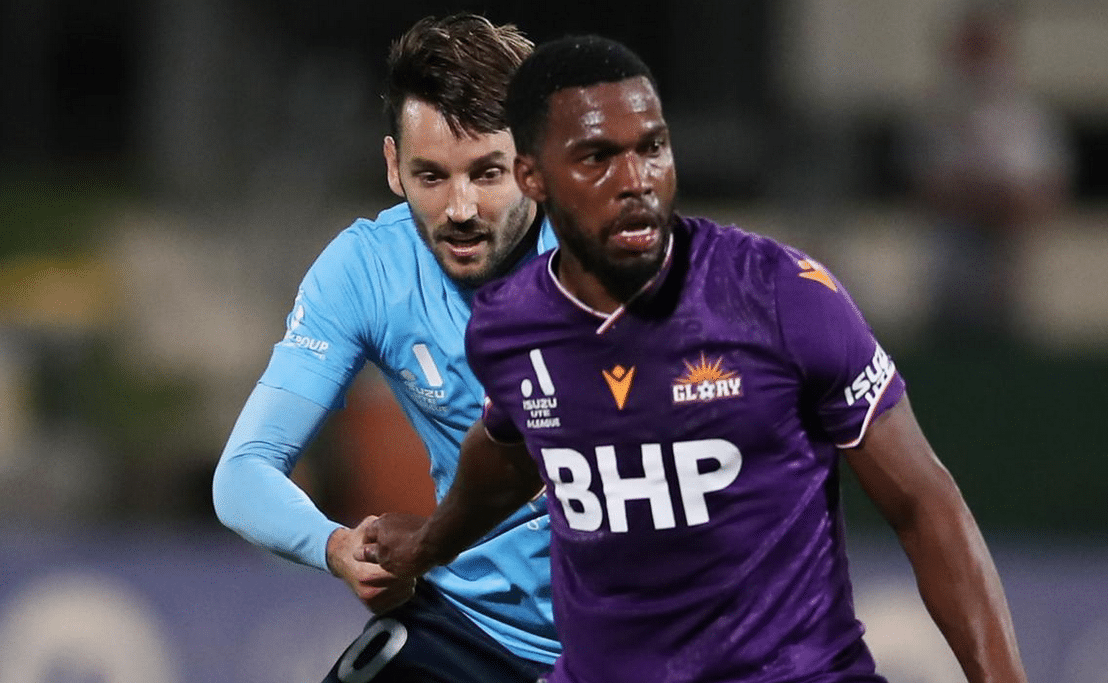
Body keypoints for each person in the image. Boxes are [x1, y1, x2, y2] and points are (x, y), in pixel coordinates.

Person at [361, 35, 1030, 683]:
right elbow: (506, 454)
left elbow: (924, 504)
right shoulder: (508, 324)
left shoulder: (779, 294)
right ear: (531, 176)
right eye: (597, 157)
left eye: (651, 147)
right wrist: (429, 543)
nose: (635, 180)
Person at [212, 14, 560, 683]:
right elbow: (244, 470)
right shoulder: (367, 271)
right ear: (394, 167)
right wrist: (336, 546)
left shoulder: (613, 267)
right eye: (432, 176)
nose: (460, 208)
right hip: (471, 629)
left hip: (635, 637)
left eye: (487, 173)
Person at [905, 4, 1071, 343]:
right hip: (948, 272)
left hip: (1010, 271)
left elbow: (1045, 193)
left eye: (985, 49)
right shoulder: (934, 117)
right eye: (970, 48)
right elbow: (927, 188)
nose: (978, 62)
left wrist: (992, 199)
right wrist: (984, 198)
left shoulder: (1028, 118)